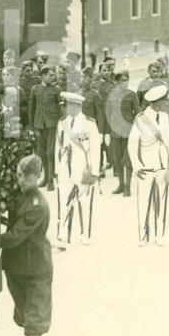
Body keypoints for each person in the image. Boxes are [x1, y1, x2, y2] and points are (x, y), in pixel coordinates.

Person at [0, 155, 53, 336]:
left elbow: (13, 237)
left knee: (34, 322)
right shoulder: (16, 195)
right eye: (19, 175)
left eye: (27, 177)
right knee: (25, 318)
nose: (21, 180)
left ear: (38, 177)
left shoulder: (37, 205)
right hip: (15, 268)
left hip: (36, 270)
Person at [128, 84, 169, 246]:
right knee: (144, 201)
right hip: (146, 166)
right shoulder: (140, 119)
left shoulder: (165, 117)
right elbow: (132, 144)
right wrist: (137, 165)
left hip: (163, 166)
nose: (166, 103)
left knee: (162, 201)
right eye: (165, 101)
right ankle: (143, 234)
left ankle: (160, 233)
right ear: (157, 102)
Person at [54, 92, 101, 245]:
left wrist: (94, 172)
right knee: (64, 202)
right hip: (65, 168)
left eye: (66, 105)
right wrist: (56, 169)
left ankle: (85, 234)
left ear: (76, 106)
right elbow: (58, 148)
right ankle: (62, 234)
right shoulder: (61, 123)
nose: (63, 108)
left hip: (83, 168)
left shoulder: (89, 123)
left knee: (84, 203)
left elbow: (95, 148)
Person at [106, 71, 141, 196]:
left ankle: (127, 187)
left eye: (127, 80)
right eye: (122, 80)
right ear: (117, 82)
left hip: (128, 132)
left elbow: (138, 112)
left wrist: (136, 127)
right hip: (115, 133)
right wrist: (106, 132)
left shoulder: (132, 95)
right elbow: (108, 114)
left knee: (128, 160)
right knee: (118, 160)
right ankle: (120, 185)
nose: (125, 82)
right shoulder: (111, 95)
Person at [29, 66, 61, 190]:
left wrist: (60, 124)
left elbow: (60, 109)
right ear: (43, 76)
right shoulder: (35, 89)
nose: (53, 77)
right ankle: (46, 177)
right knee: (41, 153)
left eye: (54, 75)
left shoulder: (56, 90)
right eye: (50, 75)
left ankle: (50, 180)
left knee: (50, 152)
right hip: (39, 125)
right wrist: (32, 125)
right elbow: (32, 108)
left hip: (52, 125)